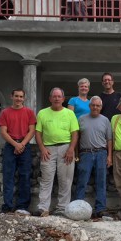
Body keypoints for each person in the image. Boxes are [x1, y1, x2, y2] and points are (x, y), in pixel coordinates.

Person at [34, 88, 79, 217]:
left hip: (66, 149)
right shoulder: (42, 113)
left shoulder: (70, 114)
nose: (57, 99)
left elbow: (75, 133)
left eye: (59, 96)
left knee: (65, 180)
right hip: (48, 149)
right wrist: (42, 148)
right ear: (50, 98)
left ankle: (62, 208)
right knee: (46, 179)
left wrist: (71, 149)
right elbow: (38, 133)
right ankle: (43, 208)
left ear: (63, 99)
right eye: (54, 96)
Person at [0, 89, 36, 215]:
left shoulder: (29, 112)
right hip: (10, 146)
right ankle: (7, 207)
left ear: (24, 98)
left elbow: (32, 131)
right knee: (8, 176)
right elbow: (3, 132)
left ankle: (22, 207)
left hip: (25, 146)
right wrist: (16, 144)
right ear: (12, 97)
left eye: (21, 96)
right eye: (16, 96)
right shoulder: (5, 113)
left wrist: (22, 144)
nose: (18, 99)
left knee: (25, 176)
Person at [74, 96, 113, 218]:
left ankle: (100, 208)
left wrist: (109, 156)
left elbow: (109, 139)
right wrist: (76, 154)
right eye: (93, 105)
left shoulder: (105, 120)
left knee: (101, 181)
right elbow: (77, 138)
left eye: (98, 105)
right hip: (85, 153)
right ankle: (78, 207)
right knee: (82, 181)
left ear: (101, 107)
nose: (95, 107)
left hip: (101, 153)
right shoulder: (81, 119)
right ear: (89, 106)